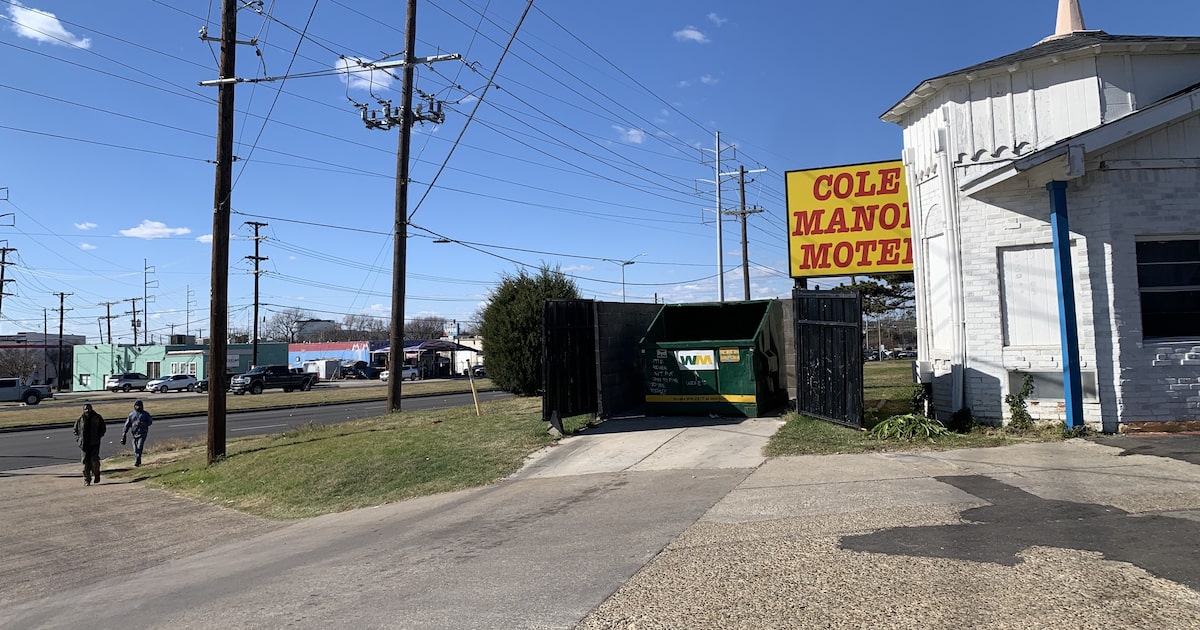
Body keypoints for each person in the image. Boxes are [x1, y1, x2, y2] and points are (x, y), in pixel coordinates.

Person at [74, 404, 106, 486]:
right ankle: (87, 479)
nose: (87, 410)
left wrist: (98, 436)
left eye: (88, 408)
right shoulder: (80, 419)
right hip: (84, 444)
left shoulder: (97, 417)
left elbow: (103, 428)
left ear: (92, 408)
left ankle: (96, 474)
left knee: (94, 460)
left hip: (94, 443)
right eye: (85, 409)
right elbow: (75, 430)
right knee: (85, 462)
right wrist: (78, 439)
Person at [122, 399, 153, 467]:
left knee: (139, 446)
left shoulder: (145, 414)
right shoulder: (131, 414)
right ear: (134, 406)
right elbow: (127, 424)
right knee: (135, 448)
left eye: (140, 406)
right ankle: (138, 459)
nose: (138, 407)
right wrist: (124, 433)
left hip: (142, 433)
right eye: (137, 406)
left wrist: (142, 423)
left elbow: (150, 422)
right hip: (134, 434)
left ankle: (137, 460)